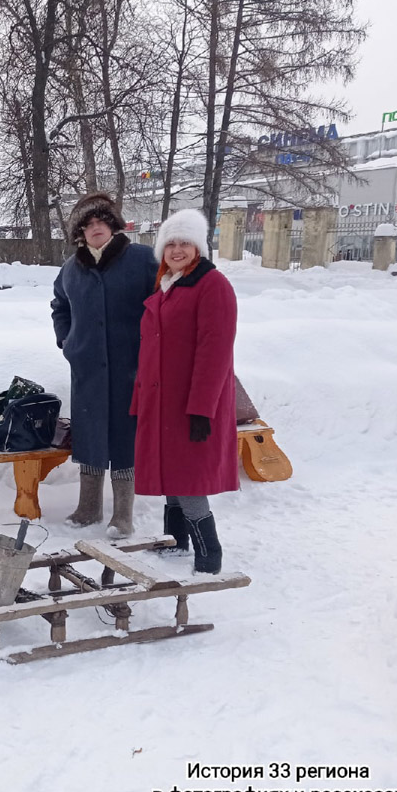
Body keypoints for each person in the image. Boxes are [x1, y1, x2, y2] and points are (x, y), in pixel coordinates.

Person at [130, 208, 238, 574]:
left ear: (199, 248)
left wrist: (201, 408)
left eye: (185, 243)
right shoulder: (166, 285)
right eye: (170, 243)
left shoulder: (213, 285)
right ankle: (175, 543)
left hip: (190, 402)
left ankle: (209, 554)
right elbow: (150, 351)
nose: (176, 250)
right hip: (161, 400)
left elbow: (216, 352)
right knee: (170, 473)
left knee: (188, 479)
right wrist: (139, 399)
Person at [51, 192, 157, 535]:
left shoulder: (143, 259)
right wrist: (67, 341)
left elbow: (163, 304)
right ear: (79, 232)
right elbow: (60, 306)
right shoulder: (70, 269)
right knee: (91, 433)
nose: (95, 228)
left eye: (101, 221)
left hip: (133, 366)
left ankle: (122, 514)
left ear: (113, 225)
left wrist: (152, 349)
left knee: (125, 435)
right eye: (88, 224)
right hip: (87, 368)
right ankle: (88, 508)